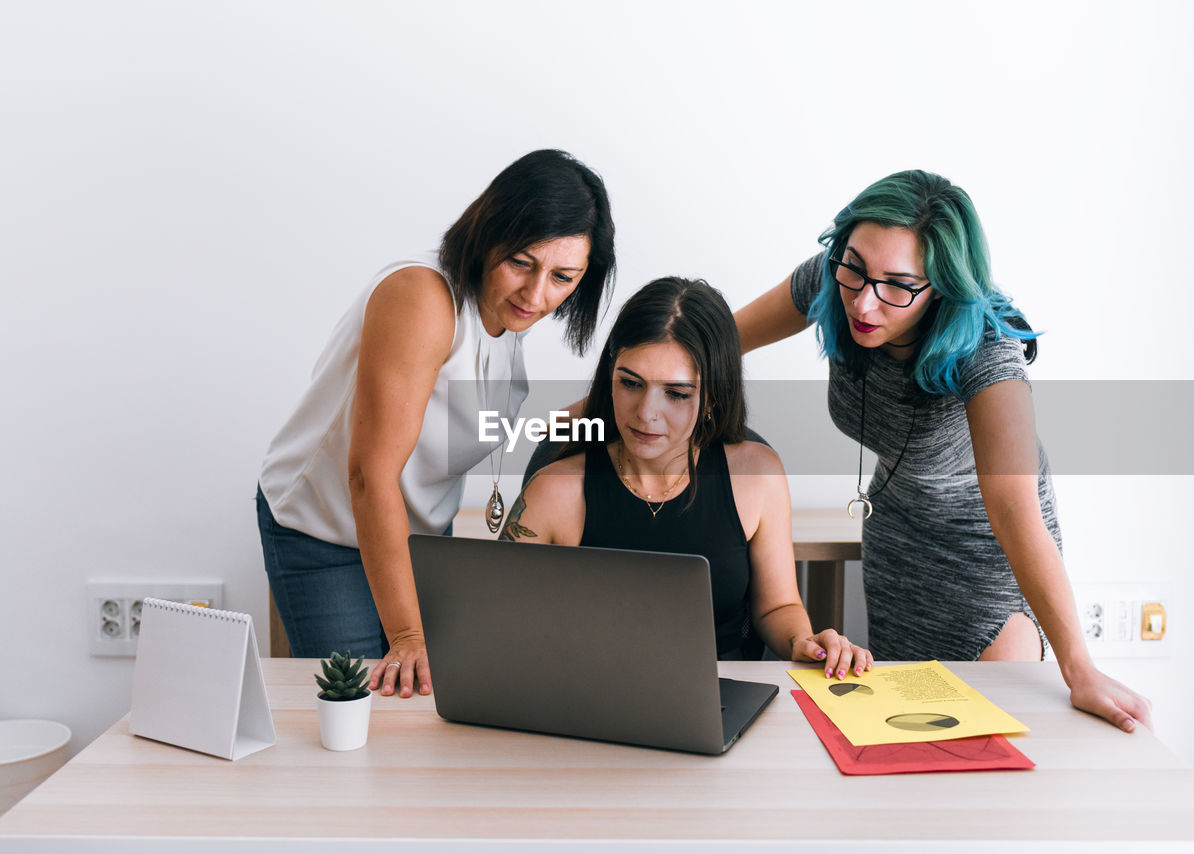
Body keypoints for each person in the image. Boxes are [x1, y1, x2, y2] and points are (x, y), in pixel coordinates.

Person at [734, 169, 1151, 731]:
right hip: (898, 532)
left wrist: (1081, 671)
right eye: (854, 270)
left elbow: (1013, 511)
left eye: (898, 286)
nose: (864, 303)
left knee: (986, 751)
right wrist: (585, 416)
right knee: (897, 734)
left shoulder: (988, 350)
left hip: (989, 556)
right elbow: (714, 342)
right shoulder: (835, 281)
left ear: (943, 287)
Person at [257, 149, 616, 698]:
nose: (537, 295)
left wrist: (612, 411)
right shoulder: (424, 297)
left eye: (562, 277)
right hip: (323, 528)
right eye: (521, 262)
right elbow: (370, 475)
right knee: (364, 707)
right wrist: (407, 634)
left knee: (426, 709)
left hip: (418, 534)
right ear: (488, 229)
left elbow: (468, 426)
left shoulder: (507, 317)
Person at [500, 277, 872, 677]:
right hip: (589, 690)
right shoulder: (554, 490)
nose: (646, 413)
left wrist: (802, 641)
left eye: (676, 393)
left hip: (723, 689)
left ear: (712, 395)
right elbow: (497, 618)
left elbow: (777, 606)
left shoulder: (757, 475)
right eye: (630, 383)